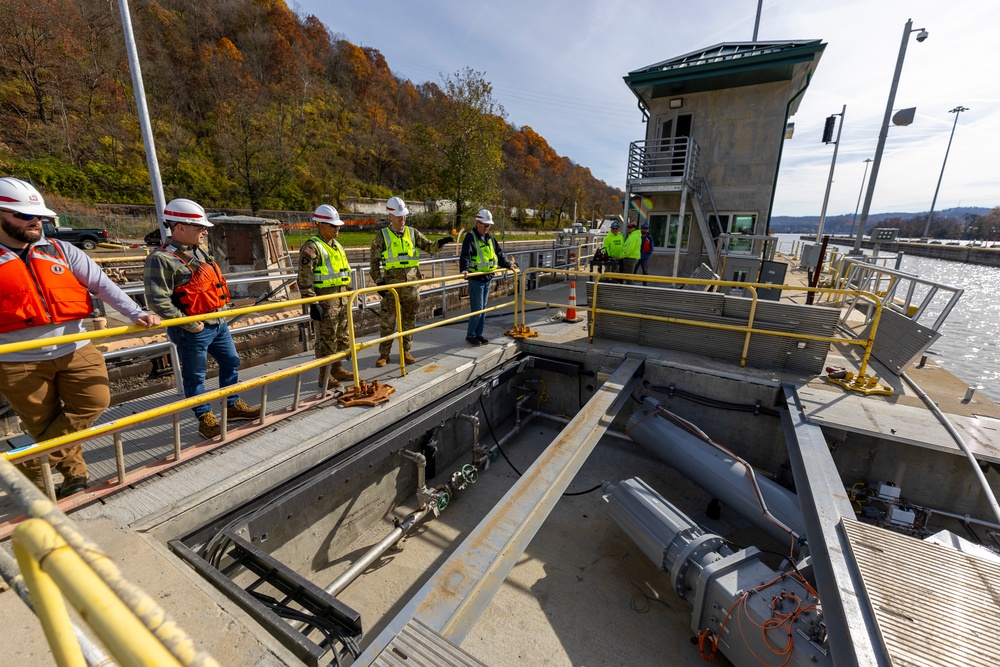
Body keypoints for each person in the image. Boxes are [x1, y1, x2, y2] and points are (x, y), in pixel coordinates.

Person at [0, 177, 161, 498]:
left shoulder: (61, 250)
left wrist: (135, 313)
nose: (36, 222)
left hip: (75, 347)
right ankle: (75, 476)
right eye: (24, 216)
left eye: (39, 216)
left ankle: (28, 468)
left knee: (95, 400)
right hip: (17, 360)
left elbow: (102, 285)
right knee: (42, 423)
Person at [143, 198, 259, 439]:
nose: (205, 232)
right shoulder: (161, 259)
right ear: (179, 228)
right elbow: (157, 301)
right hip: (192, 329)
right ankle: (204, 417)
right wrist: (190, 324)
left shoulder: (199, 251)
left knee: (231, 361)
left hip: (217, 322)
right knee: (195, 376)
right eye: (199, 228)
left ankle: (232, 403)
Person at [369, 196, 452, 367]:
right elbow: (374, 263)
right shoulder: (382, 236)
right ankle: (384, 354)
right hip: (391, 288)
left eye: (404, 215)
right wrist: (379, 282)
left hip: (411, 287)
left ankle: (405, 351)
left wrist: (440, 243)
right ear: (390, 216)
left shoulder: (412, 233)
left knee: (409, 320)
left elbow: (429, 247)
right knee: (387, 322)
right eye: (399, 215)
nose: (402, 218)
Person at [298, 204, 354, 391]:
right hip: (325, 301)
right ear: (321, 225)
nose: (337, 229)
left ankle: (337, 369)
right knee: (326, 339)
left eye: (338, 226)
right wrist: (313, 303)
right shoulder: (312, 247)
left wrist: (350, 292)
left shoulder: (336, 246)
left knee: (341, 337)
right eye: (333, 226)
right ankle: (325, 376)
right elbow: (304, 278)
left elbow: (343, 271)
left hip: (341, 297)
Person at [459, 209, 517, 346]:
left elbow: (499, 253)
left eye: (488, 225)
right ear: (477, 223)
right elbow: (465, 255)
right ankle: (471, 335)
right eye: (485, 225)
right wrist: (465, 269)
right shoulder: (471, 237)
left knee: (483, 309)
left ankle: (478, 334)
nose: (487, 228)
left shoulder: (490, 238)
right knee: (478, 309)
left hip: (487, 277)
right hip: (476, 279)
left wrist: (508, 264)